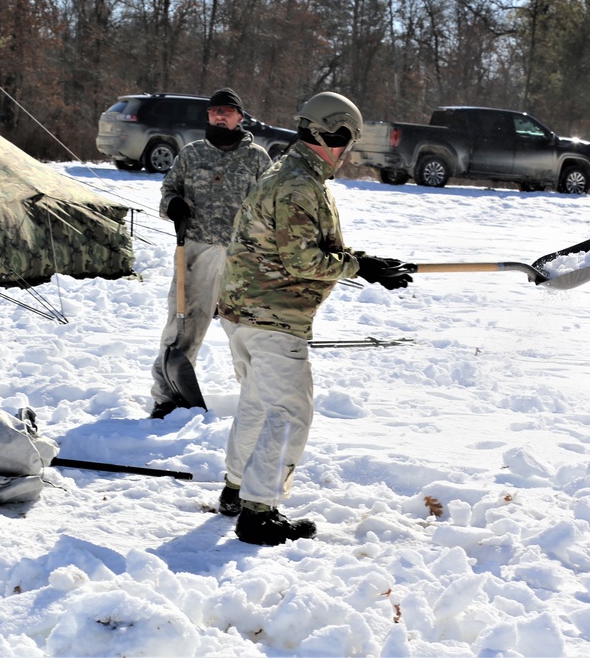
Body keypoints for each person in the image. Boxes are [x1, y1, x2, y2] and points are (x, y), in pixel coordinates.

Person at [216, 91, 413, 545]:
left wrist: (364, 260)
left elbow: (297, 244)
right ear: (334, 134)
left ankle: (236, 489)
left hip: (245, 312)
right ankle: (258, 512)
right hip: (272, 317)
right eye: (347, 141)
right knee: (289, 411)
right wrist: (358, 267)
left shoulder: (290, 171)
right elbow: (302, 259)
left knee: (257, 404)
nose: (347, 153)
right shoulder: (300, 184)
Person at [149, 88, 273, 419]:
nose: (220, 115)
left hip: (242, 256)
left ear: (240, 117)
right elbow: (168, 190)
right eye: (215, 111)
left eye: (227, 111)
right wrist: (172, 204)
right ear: (208, 116)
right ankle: (166, 396)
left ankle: (255, 398)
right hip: (196, 250)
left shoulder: (258, 158)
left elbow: (272, 204)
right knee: (182, 324)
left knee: (247, 330)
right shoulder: (191, 154)